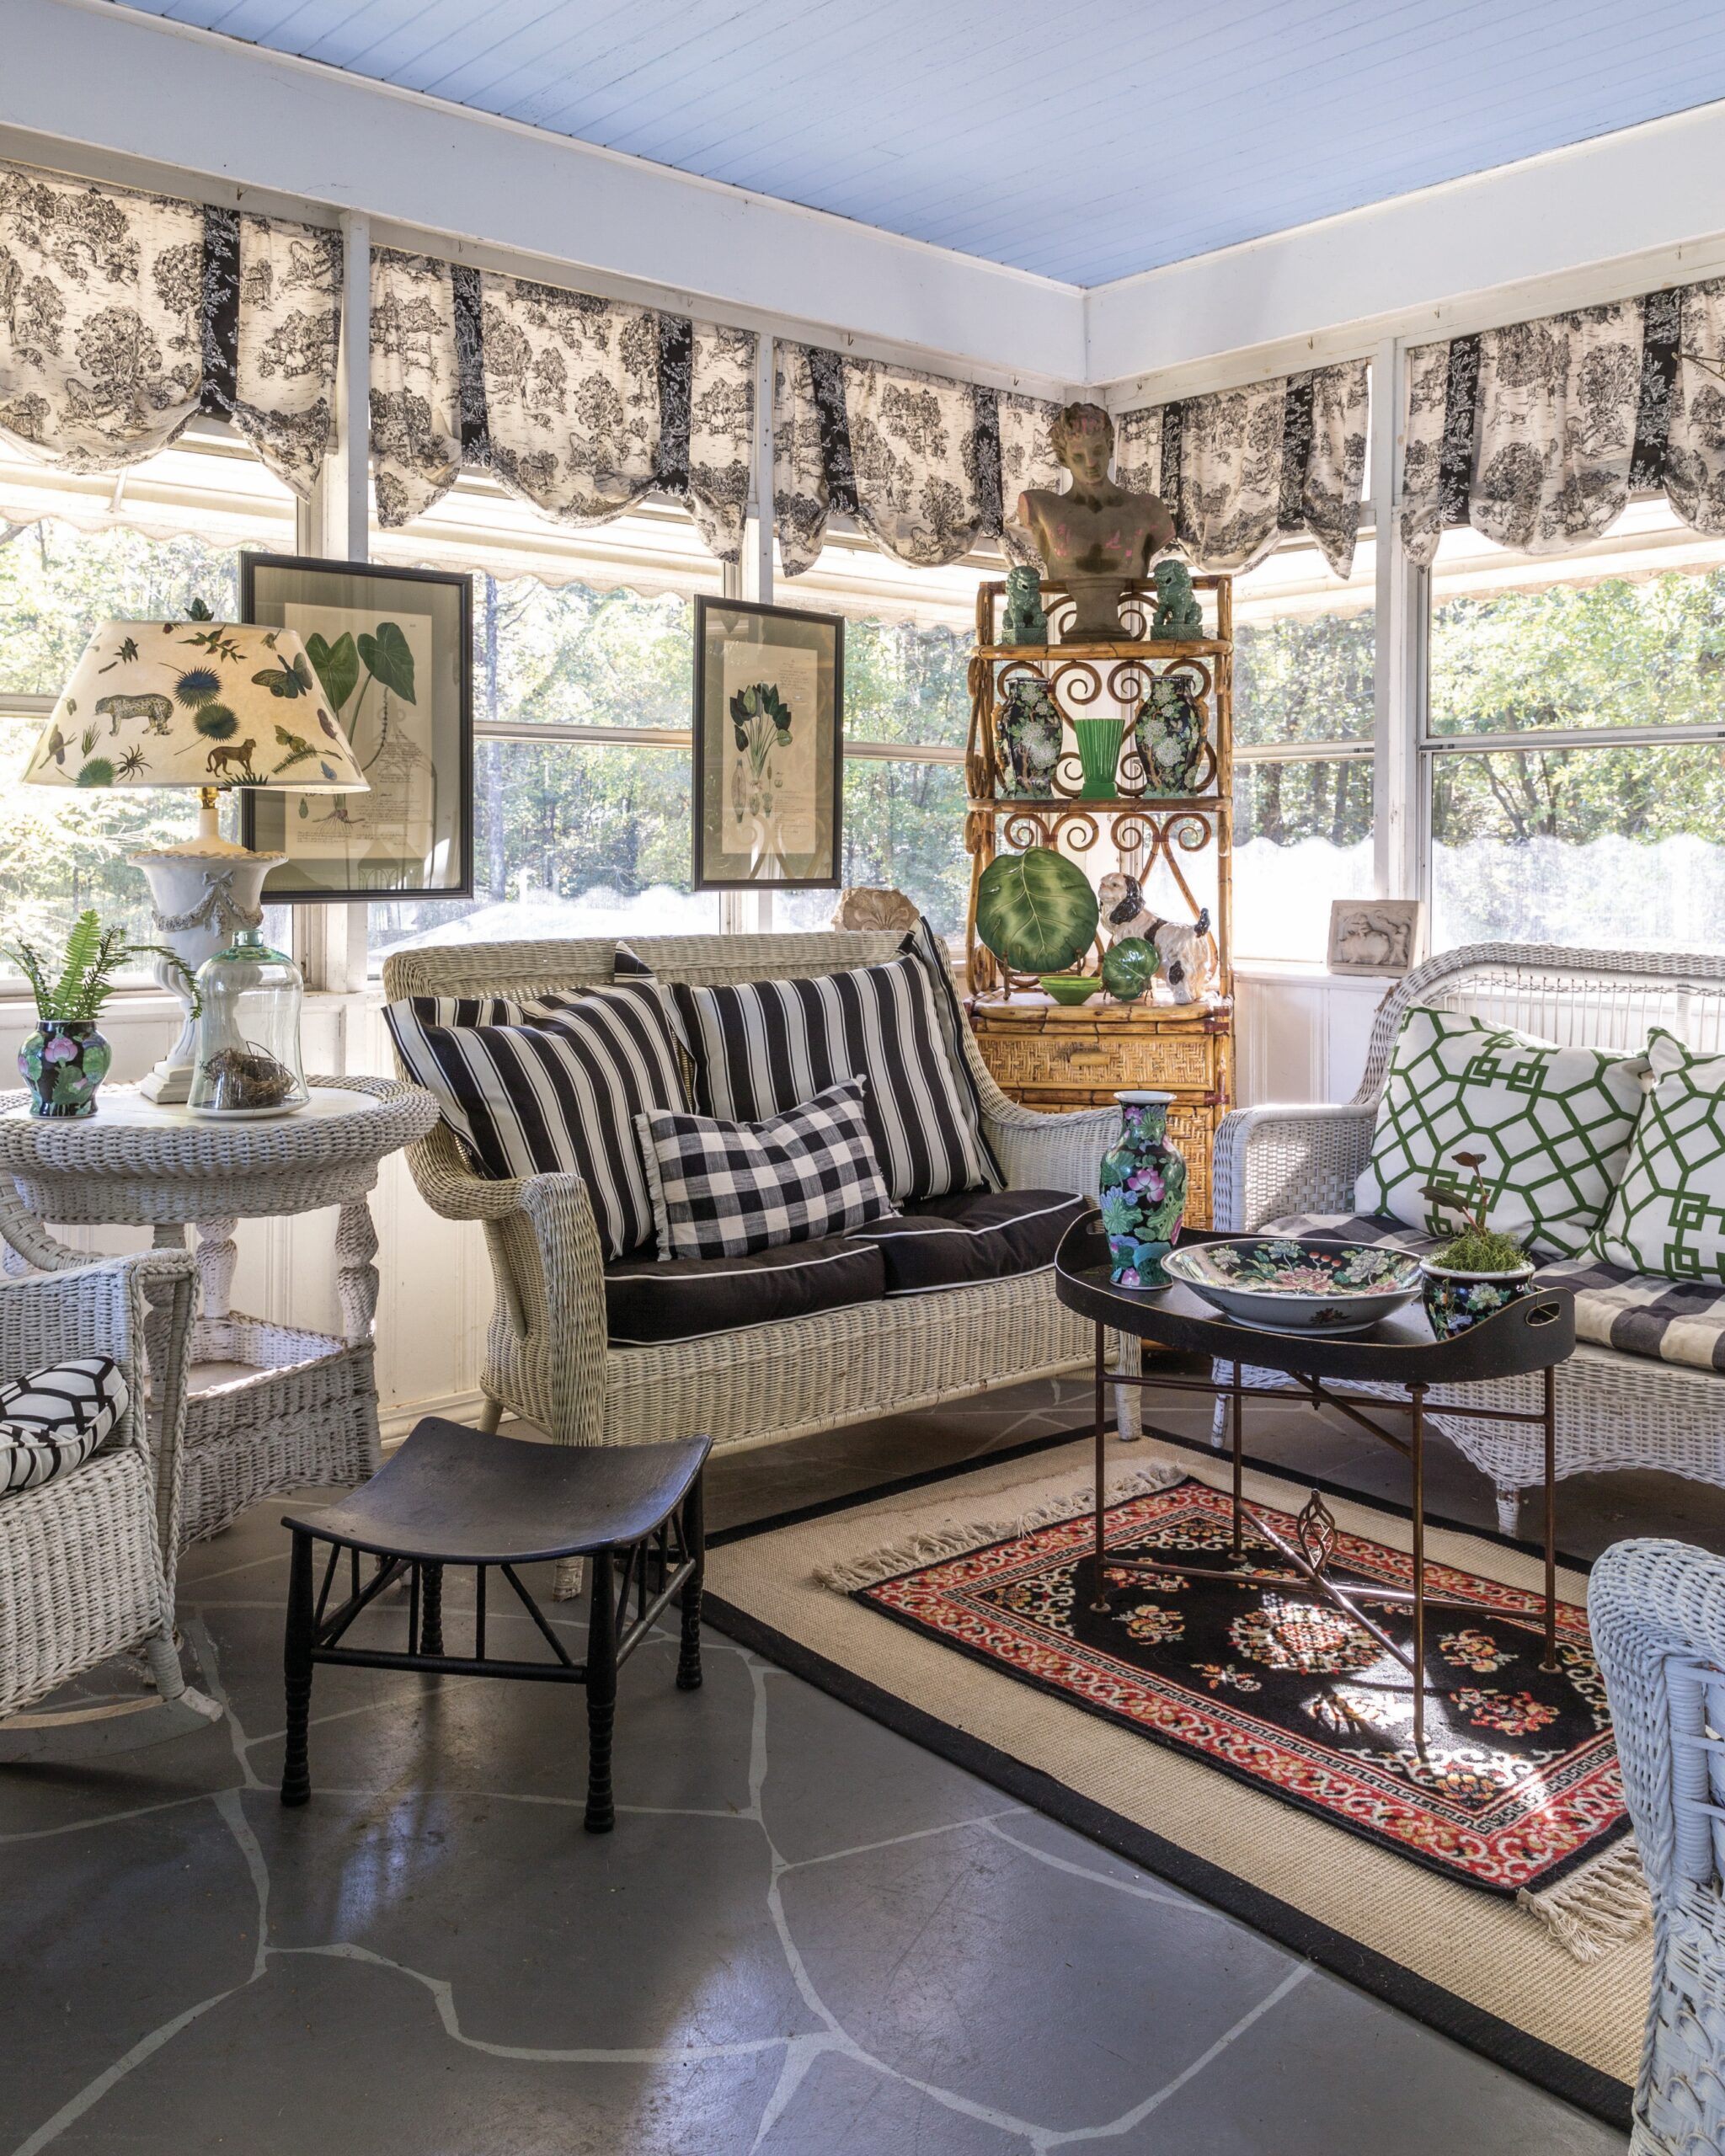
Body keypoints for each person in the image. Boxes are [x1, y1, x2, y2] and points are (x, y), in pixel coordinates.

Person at [1014, 402, 1176, 642]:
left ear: (1110, 447)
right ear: (1063, 458)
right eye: (1078, 456)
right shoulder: (1041, 508)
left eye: (1098, 451)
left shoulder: (1147, 510)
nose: (1090, 463)